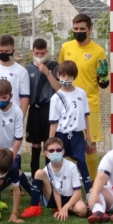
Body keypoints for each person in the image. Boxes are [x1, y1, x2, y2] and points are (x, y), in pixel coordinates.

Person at [59, 13, 109, 182]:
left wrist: (104, 77)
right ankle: (66, 182)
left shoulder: (99, 51)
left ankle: (93, 183)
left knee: (89, 146)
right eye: (76, 29)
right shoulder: (66, 47)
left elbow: (103, 83)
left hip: (89, 105)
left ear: (90, 30)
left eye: (82, 29)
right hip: (67, 105)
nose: (78, 32)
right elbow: (61, 74)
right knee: (65, 145)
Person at [0, 80, 32, 196]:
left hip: (12, 149)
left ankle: (34, 195)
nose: (1, 101)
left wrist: (12, 156)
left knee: (13, 172)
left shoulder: (17, 111)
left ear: (11, 96)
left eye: (4, 98)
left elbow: (19, 138)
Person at [48, 60, 92, 194]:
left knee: (81, 161)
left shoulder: (81, 93)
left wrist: (88, 135)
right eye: (63, 76)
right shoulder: (55, 98)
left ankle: (89, 191)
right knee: (58, 162)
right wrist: (50, 141)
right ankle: (57, 190)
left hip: (77, 135)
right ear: (58, 75)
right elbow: (54, 122)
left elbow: (85, 115)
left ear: (75, 77)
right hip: (61, 135)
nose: (66, 79)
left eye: (69, 76)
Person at [20, 137, 88, 220]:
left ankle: (67, 208)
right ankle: (34, 207)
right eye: (51, 151)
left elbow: (78, 193)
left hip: (71, 198)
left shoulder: (71, 166)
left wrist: (65, 207)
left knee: (82, 210)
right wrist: (60, 209)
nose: (55, 152)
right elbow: (56, 191)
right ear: (46, 153)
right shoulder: (47, 169)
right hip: (54, 198)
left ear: (63, 151)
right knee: (39, 173)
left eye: (58, 150)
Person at [26, 38, 60, 176]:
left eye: (42, 53)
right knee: (35, 144)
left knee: (49, 144)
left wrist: (47, 72)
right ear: (32, 52)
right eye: (37, 53)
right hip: (34, 109)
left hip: (50, 109)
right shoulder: (27, 68)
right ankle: (35, 176)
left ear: (47, 51)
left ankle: (49, 175)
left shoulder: (54, 65)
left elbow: (58, 88)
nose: (39, 56)